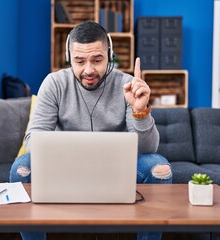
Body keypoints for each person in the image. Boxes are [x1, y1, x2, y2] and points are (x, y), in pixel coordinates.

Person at [10, 21, 172, 240]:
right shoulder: (54, 83)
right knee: (22, 167)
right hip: (64, 165)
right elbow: (31, 141)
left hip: (117, 166)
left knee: (159, 168)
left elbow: (148, 148)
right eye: (79, 61)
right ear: (69, 58)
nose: (88, 70)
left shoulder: (127, 84)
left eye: (97, 60)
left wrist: (140, 111)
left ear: (110, 55)